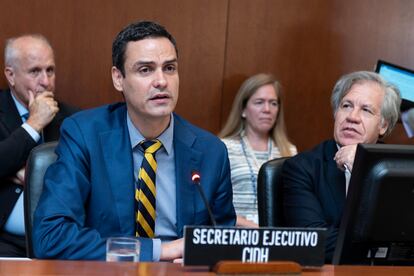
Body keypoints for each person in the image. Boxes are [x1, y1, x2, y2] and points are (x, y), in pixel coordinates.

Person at [33, 21, 236, 262]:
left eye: (169, 68)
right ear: (118, 78)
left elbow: (224, 242)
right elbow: (51, 237)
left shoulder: (211, 152)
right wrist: (159, 251)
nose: (161, 81)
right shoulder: (84, 135)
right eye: (145, 70)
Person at [282, 71, 401, 262]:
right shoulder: (302, 168)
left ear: (383, 126)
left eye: (366, 110)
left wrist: (363, 171)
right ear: (336, 113)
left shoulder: (400, 168)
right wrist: (380, 247)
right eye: (346, 106)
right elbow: (312, 242)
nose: (352, 117)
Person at [0, 34, 79, 256]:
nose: (45, 81)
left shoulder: (73, 119)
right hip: (4, 241)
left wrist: (28, 174)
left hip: (59, 239)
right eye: (35, 71)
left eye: (50, 70)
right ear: (11, 75)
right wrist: (34, 124)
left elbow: (78, 176)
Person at [219, 73, 297, 227]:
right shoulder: (223, 148)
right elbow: (215, 205)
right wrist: (258, 229)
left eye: (273, 103)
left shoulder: (289, 151)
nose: (267, 109)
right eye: (259, 102)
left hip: (276, 241)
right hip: (236, 236)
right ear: (243, 110)